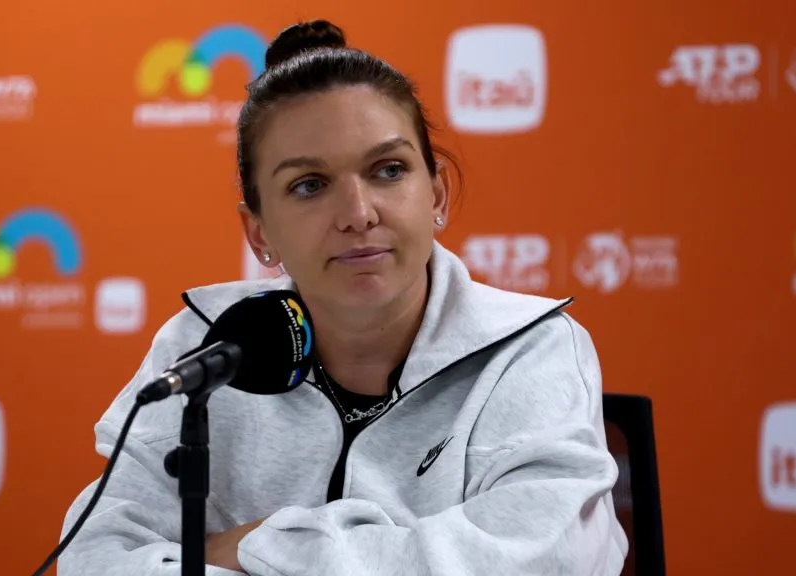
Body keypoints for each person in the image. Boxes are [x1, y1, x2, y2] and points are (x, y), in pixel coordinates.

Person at [58, 19, 629, 576]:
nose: (358, 215)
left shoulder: (529, 350)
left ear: (437, 193)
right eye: (309, 185)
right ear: (259, 232)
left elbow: (547, 560)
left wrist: (257, 545)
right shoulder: (205, 347)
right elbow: (96, 556)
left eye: (388, 170)